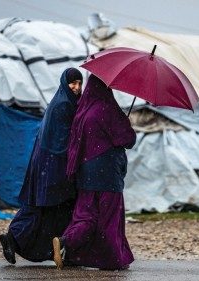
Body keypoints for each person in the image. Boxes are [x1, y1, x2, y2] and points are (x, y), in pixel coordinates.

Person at [0, 67, 83, 264]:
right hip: (53, 165)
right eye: (73, 83)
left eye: (79, 83)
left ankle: (18, 240)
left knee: (42, 207)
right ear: (64, 83)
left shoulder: (62, 102)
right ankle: (14, 238)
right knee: (43, 208)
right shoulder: (63, 105)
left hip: (48, 163)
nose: (77, 87)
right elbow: (64, 140)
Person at [52, 74, 136, 270]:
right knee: (109, 216)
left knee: (85, 216)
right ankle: (111, 259)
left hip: (85, 172)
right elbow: (128, 140)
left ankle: (65, 242)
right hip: (107, 173)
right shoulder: (107, 109)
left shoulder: (83, 110)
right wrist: (125, 124)